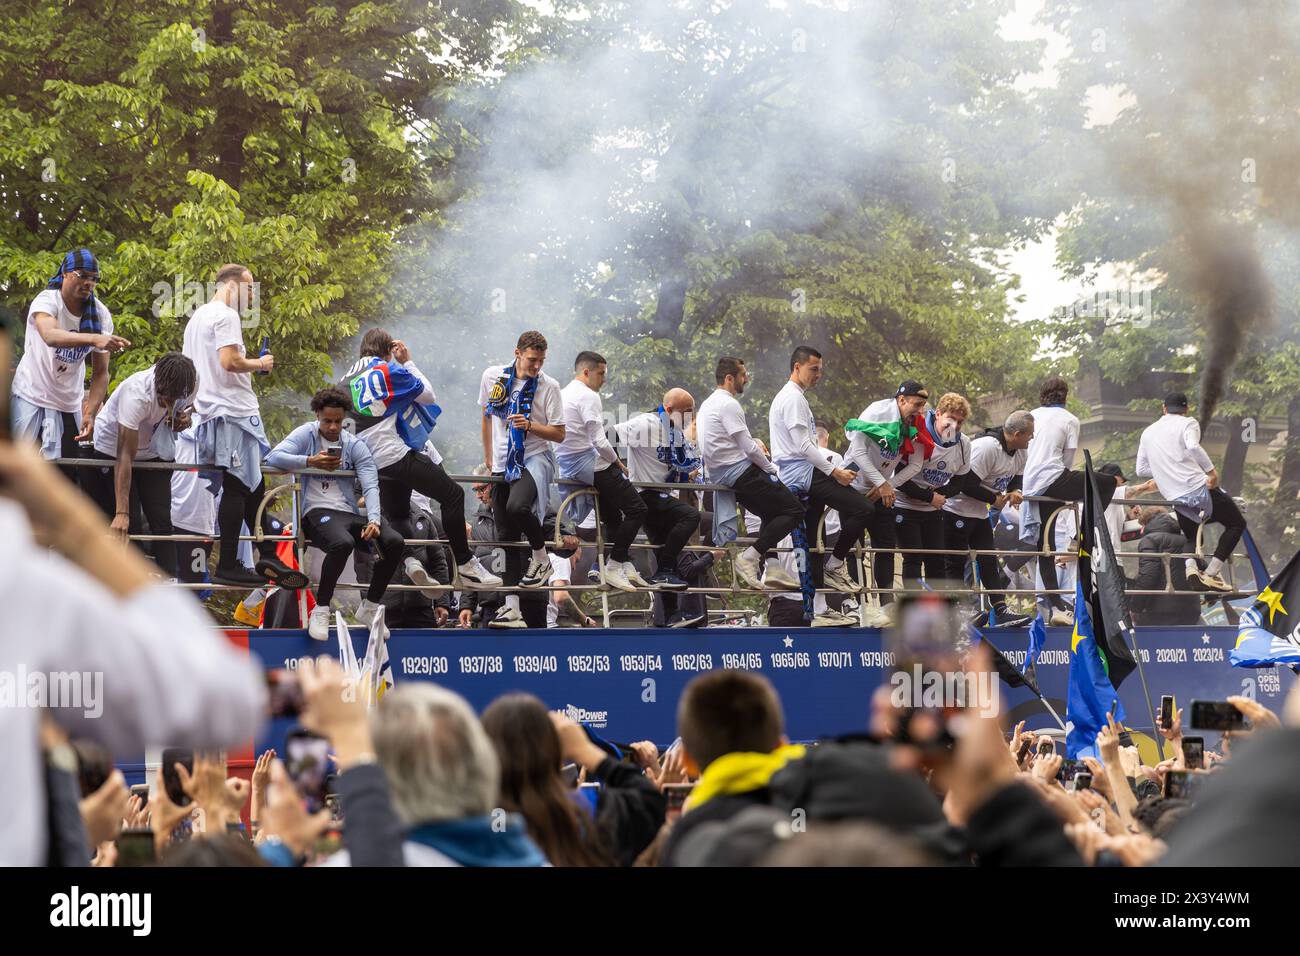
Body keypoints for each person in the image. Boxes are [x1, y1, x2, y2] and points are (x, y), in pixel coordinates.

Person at [0, 309, 266, 865]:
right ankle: (133, 590)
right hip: (110, 458)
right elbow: (224, 700)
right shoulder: (137, 394)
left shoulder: (176, 393)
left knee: (165, 536)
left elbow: (176, 432)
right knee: (125, 528)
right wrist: (99, 523)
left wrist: (183, 422)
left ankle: (167, 586)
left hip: (153, 459)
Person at [340, 328, 500, 593]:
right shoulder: (387, 370)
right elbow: (427, 395)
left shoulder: (344, 380)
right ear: (388, 350)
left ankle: (411, 561)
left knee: (400, 512)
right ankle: (466, 565)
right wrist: (407, 362)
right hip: (393, 454)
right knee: (452, 495)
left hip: (366, 462)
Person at [183, 263, 303, 589]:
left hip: (210, 410)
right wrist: (260, 364)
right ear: (233, 286)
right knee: (239, 485)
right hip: (230, 412)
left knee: (253, 486)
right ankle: (229, 563)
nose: (253, 295)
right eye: (250, 288)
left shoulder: (197, 318)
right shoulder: (227, 315)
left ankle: (267, 554)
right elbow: (230, 362)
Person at [265, 386, 405, 639]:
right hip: (315, 512)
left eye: (338, 422)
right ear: (317, 415)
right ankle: (321, 608)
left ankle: (370, 607)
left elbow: (371, 482)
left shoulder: (353, 444)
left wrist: (373, 518)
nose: (332, 427)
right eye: (327, 421)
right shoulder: (306, 434)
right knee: (343, 543)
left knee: (394, 541)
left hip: (347, 513)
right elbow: (273, 457)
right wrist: (309, 461)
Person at [11, 248, 130, 478]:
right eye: (82, 275)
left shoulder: (100, 315)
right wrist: (94, 338)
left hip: (68, 402)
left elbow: (101, 373)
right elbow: (50, 335)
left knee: (63, 478)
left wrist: (91, 411)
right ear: (65, 273)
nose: (89, 282)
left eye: (94, 278)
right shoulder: (47, 300)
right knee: (20, 473)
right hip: (30, 395)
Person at [768, 346, 872, 607]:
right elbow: (804, 446)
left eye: (820, 370)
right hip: (802, 473)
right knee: (863, 508)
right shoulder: (792, 398)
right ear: (797, 367)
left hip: (800, 473)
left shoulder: (794, 397)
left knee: (816, 542)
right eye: (813, 369)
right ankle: (835, 566)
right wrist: (834, 471)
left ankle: (818, 608)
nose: (818, 375)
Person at [80, 352, 197, 578]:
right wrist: (121, 512)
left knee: (161, 518)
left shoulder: (190, 380)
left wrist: (185, 416)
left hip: (152, 449)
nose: (169, 403)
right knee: (129, 522)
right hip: (113, 448)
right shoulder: (137, 395)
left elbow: (191, 408)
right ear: (158, 383)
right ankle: (133, 579)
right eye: (165, 397)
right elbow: (124, 456)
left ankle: (170, 580)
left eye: (175, 398)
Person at [478, 330, 566, 627]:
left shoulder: (548, 386)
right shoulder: (493, 376)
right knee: (506, 537)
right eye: (532, 359)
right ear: (517, 353)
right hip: (503, 463)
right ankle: (511, 606)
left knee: (518, 507)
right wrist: (489, 458)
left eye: (541, 360)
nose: (536, 366)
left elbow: (559, 433)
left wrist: (531, 425)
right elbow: (486, 415)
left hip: (534, 458)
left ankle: (541, 558)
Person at [695, 356, 803, 592]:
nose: (747, 378)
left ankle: (772, 565)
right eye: (743, 374)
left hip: (725, 475)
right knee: (795, 510)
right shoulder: (728, 404)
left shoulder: (708, 404)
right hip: (740, 473)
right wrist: (771, 469)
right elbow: (749, 446)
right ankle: (750, 557)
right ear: (729, 378)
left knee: (771, 511)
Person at [1020, 377, 1118, 623]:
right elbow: (1068, 458)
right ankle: (1078, 539)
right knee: (1106, 483)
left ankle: (1055, 607)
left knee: (1046, 544)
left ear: (1042, 396)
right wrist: (1064, 489)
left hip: (1031, 483)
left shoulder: (1031, 415)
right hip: (1053, 477)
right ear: (1065, 396)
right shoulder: (1070, 419)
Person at [1135, 392, 1246, 593]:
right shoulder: (1188, 423)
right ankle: (1211, 574)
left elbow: (1141, 470)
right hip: (1198, 487)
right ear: (1186, 409)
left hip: (1175, 496)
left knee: (1191, 535)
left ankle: (1191, 569)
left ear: (1164, 408)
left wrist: (1166, 472)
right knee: (1237, 523)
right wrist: (1212, 473)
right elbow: (1193, 446)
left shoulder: (1148, 432)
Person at [558, 351, 649, 592]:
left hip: (568, 463)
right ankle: (614, 563)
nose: (604, 380)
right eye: (601, 374)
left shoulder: (562, 393)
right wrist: (617, 462)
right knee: (637, 509)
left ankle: (624, 563)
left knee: (612, 516)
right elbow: (599, 440)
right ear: (586, 372)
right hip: (590, 463)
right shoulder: (588, 396)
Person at [843, 380, 931, 618]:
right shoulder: (877, 412)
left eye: (924, 405)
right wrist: (880, 483)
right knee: (855, 547)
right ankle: (858, 604)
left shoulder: (916, 423)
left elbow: (916, 464)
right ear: (901, 400)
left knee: (886, 544)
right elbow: (858, 451)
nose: (920, 411)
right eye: (917, 404)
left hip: (883, 489)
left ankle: (886, 604)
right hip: (854, 484)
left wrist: (887, 485)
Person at [941, 410, 1034, 627]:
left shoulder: (1021, 453)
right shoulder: (988, 448)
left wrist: (1015, 491)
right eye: (1030, 434)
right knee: (954, 562)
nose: (1032, 438)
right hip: (956, 509)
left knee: (988, 560)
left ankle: (1000, 609)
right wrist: (993, 498)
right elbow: (964, 484)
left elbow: (1015, 479)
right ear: (1017, 434)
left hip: (979, 513)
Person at [891, 392, 974, 589]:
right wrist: (929, 497)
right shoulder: (918, 434)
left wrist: (938, 497)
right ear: (938, 414)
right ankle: (913, 607)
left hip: (932, 509)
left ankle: (935, 610)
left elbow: (959, 483)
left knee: (936, 559)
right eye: (950, 419)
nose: (954, 426)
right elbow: (901, 479)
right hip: (904, 504)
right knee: (913, 557)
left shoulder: (963, 445)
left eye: (959, 422)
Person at [1129, 506, 1204, 626]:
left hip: (1159, 610)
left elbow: (1148, 574)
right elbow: (1201, 566)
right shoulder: (1187, 540)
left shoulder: (1149, 540)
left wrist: (1135, 607)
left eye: (1142, 526)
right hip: (1191, 609)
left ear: (1146, 523)